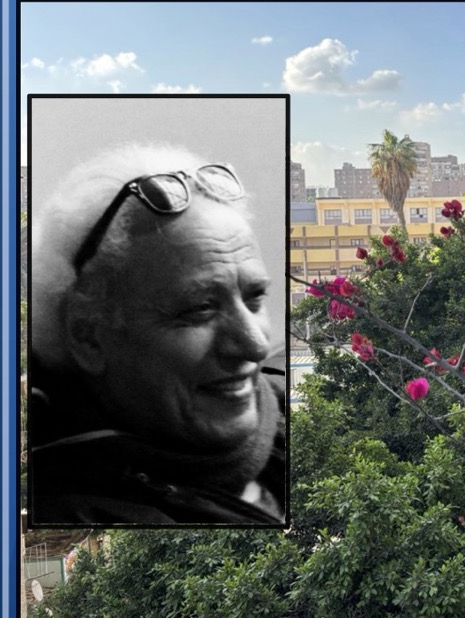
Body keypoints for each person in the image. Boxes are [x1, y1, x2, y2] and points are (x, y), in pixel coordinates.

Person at [28, 142, 287, 526]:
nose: (255, 344)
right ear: (89, 336)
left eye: (253, 298)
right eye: (199, 309)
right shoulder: (75, 514)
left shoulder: (294, 412)